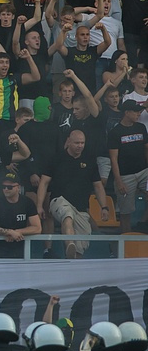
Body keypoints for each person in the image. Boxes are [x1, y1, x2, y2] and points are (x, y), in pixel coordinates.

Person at [36, 129, 109, 259]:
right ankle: (69, 243)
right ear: (69, 141)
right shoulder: (56, 158)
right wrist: (39, 205)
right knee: (67, 215)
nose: (80, 146)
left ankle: (73, 259)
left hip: (81, 208)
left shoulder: (90, 161)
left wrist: (104, 207)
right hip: (59, 201)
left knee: (81, 244)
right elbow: (44, 182)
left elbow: (98, 186)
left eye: (82, 143)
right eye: (77, 143)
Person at [107, 99, 148, 232]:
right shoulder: (115, 132)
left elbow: (146, 149)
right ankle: (126, 238)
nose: (138, 114)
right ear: (127, 112)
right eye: (135, 112)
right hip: (125, 175)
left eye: (139, 111)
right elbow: (113, 159)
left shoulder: (141, 127)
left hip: (143, 171)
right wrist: (118, 181)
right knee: (125, 211)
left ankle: (143, 223)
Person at [0, 172, 41, 258]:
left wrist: (17, 232)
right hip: (0, 250)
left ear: (18, 187)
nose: (6, 189)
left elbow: (37, 228)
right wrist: (9, 232)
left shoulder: (27, 203)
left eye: (10, 187)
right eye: (3, 187)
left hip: (21, 249)